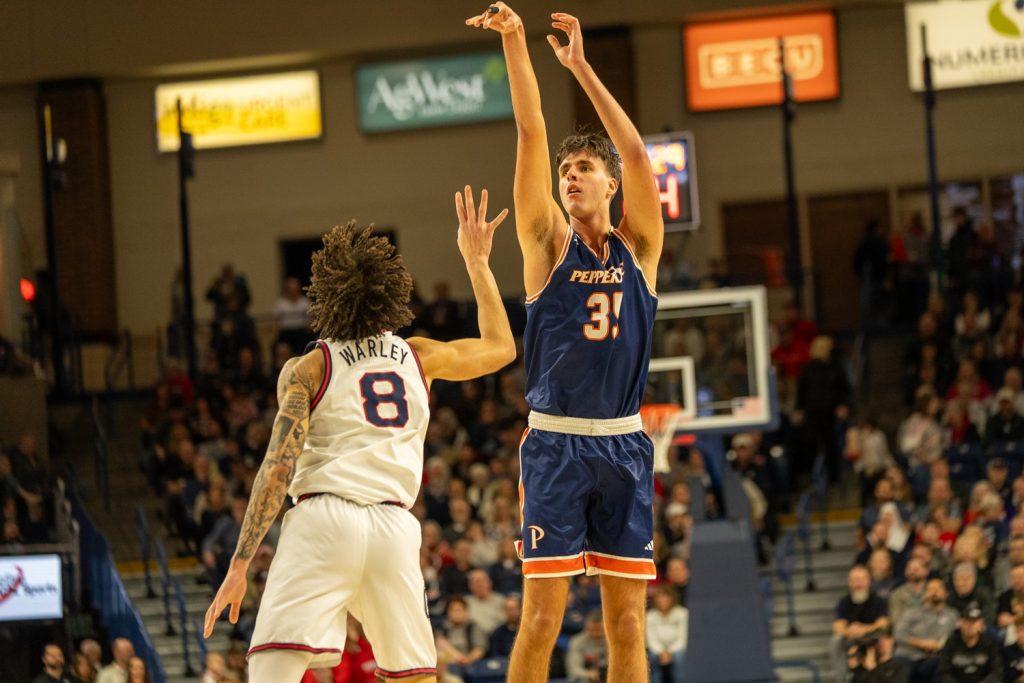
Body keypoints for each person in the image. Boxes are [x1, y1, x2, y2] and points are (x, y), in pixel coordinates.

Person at [203, 192, 516, 683]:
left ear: (326, 299)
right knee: (415, 675)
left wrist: (240, 564)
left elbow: (277, 467)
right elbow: (500, 348)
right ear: (390, 296)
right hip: (394, 526)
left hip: (325, 520)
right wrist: (477, 262)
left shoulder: (309, 367)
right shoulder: (418, 355)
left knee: (272, 671)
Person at [468, 5, 664, 681]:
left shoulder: (640, 248)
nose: (571, 175)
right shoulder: (547, 243)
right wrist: (518, 43)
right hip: (554, 444)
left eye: (585, 167)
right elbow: (529, 129)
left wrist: (580, 67)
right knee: (542, 621)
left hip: (625, 442)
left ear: (611, 184)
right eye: (567, 170)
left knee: (627, 625)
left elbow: (636, 151)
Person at [833, 565, 891, 682]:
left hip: (873, 637)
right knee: (836, 641)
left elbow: (883, 623)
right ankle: (842, 679)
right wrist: (851, 631)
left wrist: (864, 629)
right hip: (851, 638)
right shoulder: (844, 602)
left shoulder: (878, 600)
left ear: (868, 581)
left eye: (861, 580)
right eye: (854, 580)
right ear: (849, 583)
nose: (858, 584)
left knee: (885, 640)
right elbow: (838, 627)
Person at [893, 577, 957, 682]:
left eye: (938, 589)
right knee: (898, 666)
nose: (934, 592)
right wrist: (922, 643)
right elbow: (898, 634)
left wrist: (939, 645)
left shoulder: (952, 615)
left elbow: (955, 637)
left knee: (942, 665)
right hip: (908, 656)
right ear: (925, 593)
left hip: (936, 658)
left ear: (946, 594)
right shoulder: (912, 613)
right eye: (930, 589)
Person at [937, 602, 1003, 681]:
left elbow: (997, 671)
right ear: (960, 623)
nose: (970, 625)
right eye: (967, 621)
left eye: (974, 622)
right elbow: (943, 672)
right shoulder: (951, 642)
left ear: (981, 625)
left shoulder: (990, 642)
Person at [645, 586, 687, 683]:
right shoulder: (650, 616)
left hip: (677, 649)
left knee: (679, 657)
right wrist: (661, 652)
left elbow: (682, 637)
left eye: (665, 597)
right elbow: (651, 638)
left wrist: (670, 652)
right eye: (659, 598)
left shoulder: (682, 613)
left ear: (672, 599)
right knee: (651, 657)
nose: (662, 601)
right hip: (658, 651)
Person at [436, 596, 488, 669]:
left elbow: (479, 649)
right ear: (448, 613)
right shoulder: (442, 628)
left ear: (466, 612)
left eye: (459, 610)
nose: (456, 613)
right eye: (453, 610)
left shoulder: (473, 627)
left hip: (471, 663)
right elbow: (439, 647)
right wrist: (458, 658)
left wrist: (468, 659)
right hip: (449, 664)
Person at [566, 610, 609, 682]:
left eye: (600, 630)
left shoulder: (611, 643)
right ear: (586, 628)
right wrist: (588, 674)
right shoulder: (577, 641)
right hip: (586, 679)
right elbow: (573, 670)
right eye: (592, 630)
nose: (596, 634)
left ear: (606, 628)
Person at [274, 276, 311, 354]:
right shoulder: (281, 303)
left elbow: (310, 319)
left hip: (301, 332)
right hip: (286, 333)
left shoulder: (304, 302)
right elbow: (277, 321)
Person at [465, 569, 506, 635]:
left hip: (498, 638)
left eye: (482, 580)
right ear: (470, 586)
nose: (479, 584)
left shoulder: (502, 601)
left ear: (490, 582)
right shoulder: (465, 603)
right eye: (475, 582)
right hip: (475, 639)